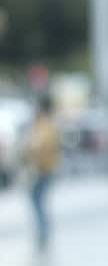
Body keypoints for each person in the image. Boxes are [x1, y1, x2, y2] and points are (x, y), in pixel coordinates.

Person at [23, 95, 60, 255]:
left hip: (42, 169)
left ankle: (43, 232)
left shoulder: (44, 125)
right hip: (45, 168)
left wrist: (30, 150)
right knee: (38, 200)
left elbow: (39, 145)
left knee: (37, 200)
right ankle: (43, 231)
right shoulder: (46, 124)